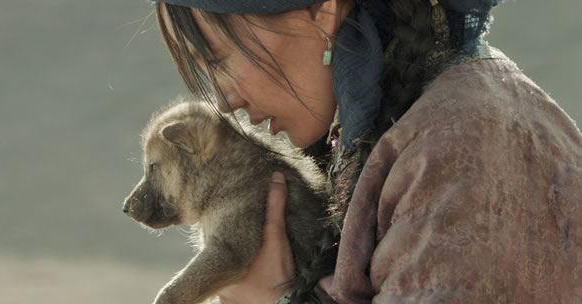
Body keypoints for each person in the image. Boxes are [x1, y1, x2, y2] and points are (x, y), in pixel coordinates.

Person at [150, 0, 582, 303]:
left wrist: (268, 299)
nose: (223, 102)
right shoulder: (407, 119)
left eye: (220, 60)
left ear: (322, 12)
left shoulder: (460, 145)